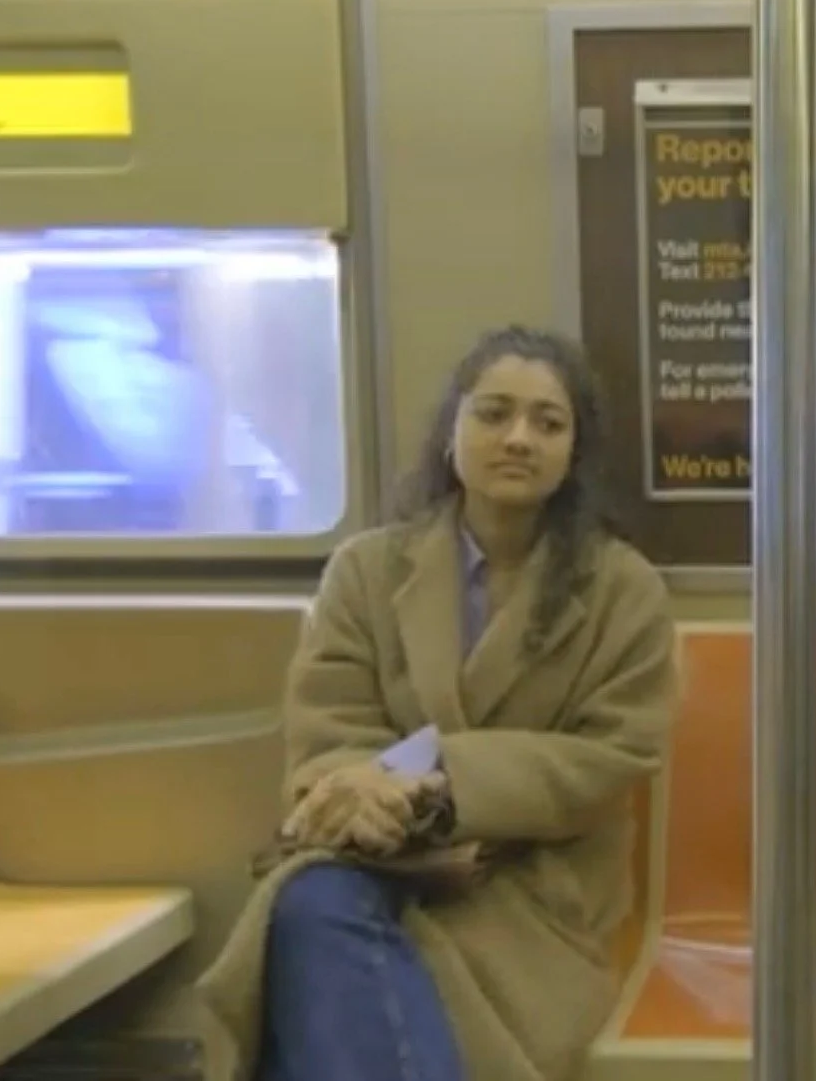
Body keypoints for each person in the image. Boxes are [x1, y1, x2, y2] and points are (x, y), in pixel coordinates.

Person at [197, 325, 681, 1081]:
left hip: (530, 887)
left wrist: (433, 780)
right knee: (311, 901)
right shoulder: (367, 570)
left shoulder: (624, 589)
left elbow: (612, 755)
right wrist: (359, 788)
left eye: (547, 423)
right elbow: (330, 728)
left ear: (573, 452)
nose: (518, 437)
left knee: (313, 971)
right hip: (380, 857)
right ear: (451, 433)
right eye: (493, 413)